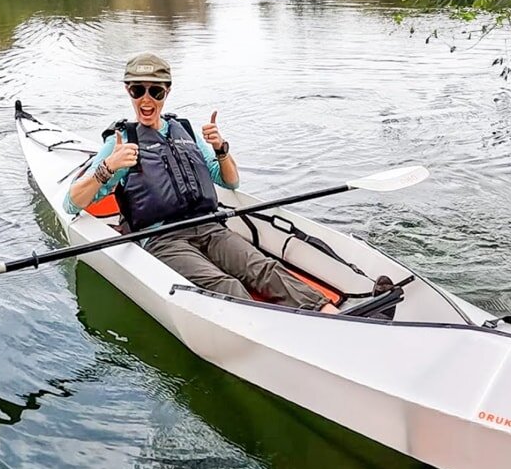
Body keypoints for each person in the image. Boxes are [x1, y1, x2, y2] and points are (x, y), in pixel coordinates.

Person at [65, 53, 337, 313]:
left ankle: (326, 311)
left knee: (262, 267)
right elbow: (71, 203)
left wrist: (221, 148)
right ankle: (271, 332)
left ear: (167, 92)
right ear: (128, 91)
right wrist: (108, 167)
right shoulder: (120, 142)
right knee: (226, 286)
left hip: (208, 226)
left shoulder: (186, 131)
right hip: (162, 238)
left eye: (155, 92)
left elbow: (231, 182)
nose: (146, 99)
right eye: (138, 90)